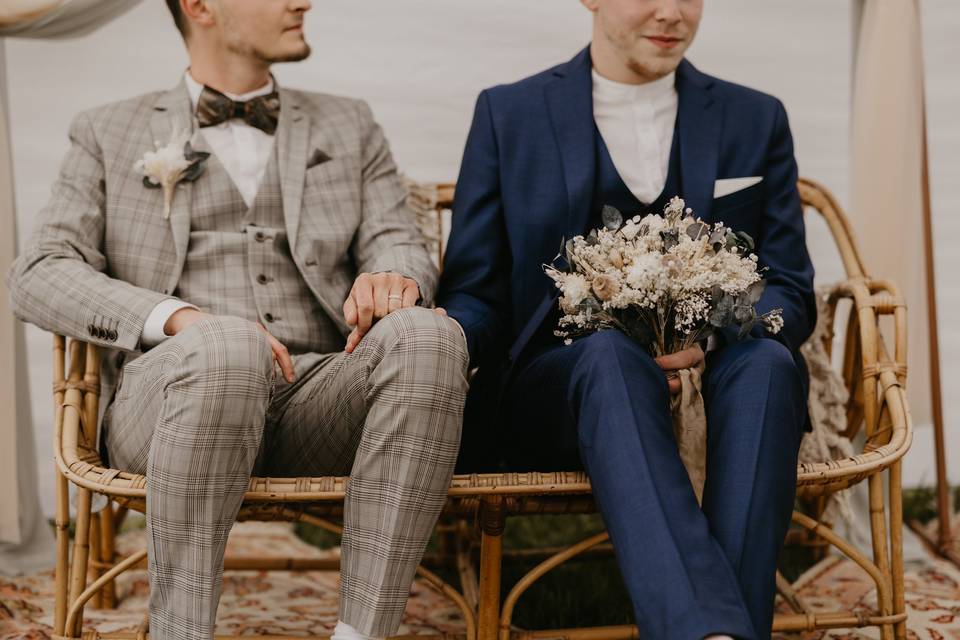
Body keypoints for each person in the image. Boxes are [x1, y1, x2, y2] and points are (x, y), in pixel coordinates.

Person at [6, 1, 469, 639]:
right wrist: (177, 318)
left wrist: (395, 277)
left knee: (431, 335)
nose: (302, 1)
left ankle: (362, 633)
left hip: (317, 395)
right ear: (200, 6)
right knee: (225, 344)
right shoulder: (107, 129)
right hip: (169, 398)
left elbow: (400, 240)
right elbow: (37, 272)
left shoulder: (350, 123)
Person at [438, 1, 815, 638]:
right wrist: (432, 338)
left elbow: (790, 289)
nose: (671, 13)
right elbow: (476, 289)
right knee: (610, 356)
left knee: (770, 367)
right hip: (562, 385)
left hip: (718, 375)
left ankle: (714, 632)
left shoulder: (756, 117)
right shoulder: (509, 114)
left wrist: (713, 335)